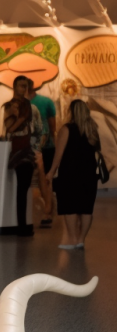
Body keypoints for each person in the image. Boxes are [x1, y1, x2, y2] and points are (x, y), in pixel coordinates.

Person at [46, 99, 100, 250]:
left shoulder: (66, 129)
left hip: (70, 173)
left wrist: (51, 172)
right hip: (89, 173)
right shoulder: (92, 129)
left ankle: (72, 239)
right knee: (86, 208)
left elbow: (59, 154)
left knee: (70, 206)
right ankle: (81, 240)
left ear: (71, 111)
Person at [2, 75, 41, 236]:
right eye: (21, 86)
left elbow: (25, 125)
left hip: (26, 149)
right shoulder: (10, 106)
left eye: (26, 86)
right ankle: (22, 225)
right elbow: (9, 127)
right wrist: (18, 118)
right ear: (15, 87)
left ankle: (22, 224)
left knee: (24, 188)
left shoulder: (26, 105)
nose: (24, 89)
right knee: (22, 188)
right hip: (18, 149)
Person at [27, 78, 57, 228]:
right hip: (28, 147)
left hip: (46, 146)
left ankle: (47, 212)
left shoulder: (46, 102)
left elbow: (52, 126)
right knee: (33, 180)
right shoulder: (18, 104)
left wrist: (53, 143)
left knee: (46, 179)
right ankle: (41, 210)